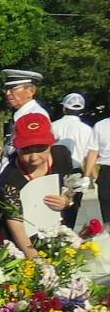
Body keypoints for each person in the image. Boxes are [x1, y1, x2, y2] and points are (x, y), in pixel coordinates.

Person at [0, 112, 76, 252]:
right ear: (16, 148)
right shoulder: (9, 179)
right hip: (17, 239)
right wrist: (32, 255)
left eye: (41, 148)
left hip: (53, 230)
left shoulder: (62, 155)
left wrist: (66, 199)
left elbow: (70, 185)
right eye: (26, 150)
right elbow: (15, 221)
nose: (34, 157)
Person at [53, 93, 96, 226]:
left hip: (54, 169)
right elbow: (90, 154)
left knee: (53, 205)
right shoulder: (87, 130)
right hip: (76, 170)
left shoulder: (53, 126)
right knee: (72, 207)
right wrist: (90, 176)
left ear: (64, 108)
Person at [0, 67, 48, 147]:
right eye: (6, 89)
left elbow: (35, 152)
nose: (8, 93)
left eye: (13, 89)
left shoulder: (36, 116)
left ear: (31, 91)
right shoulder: (21, 114)